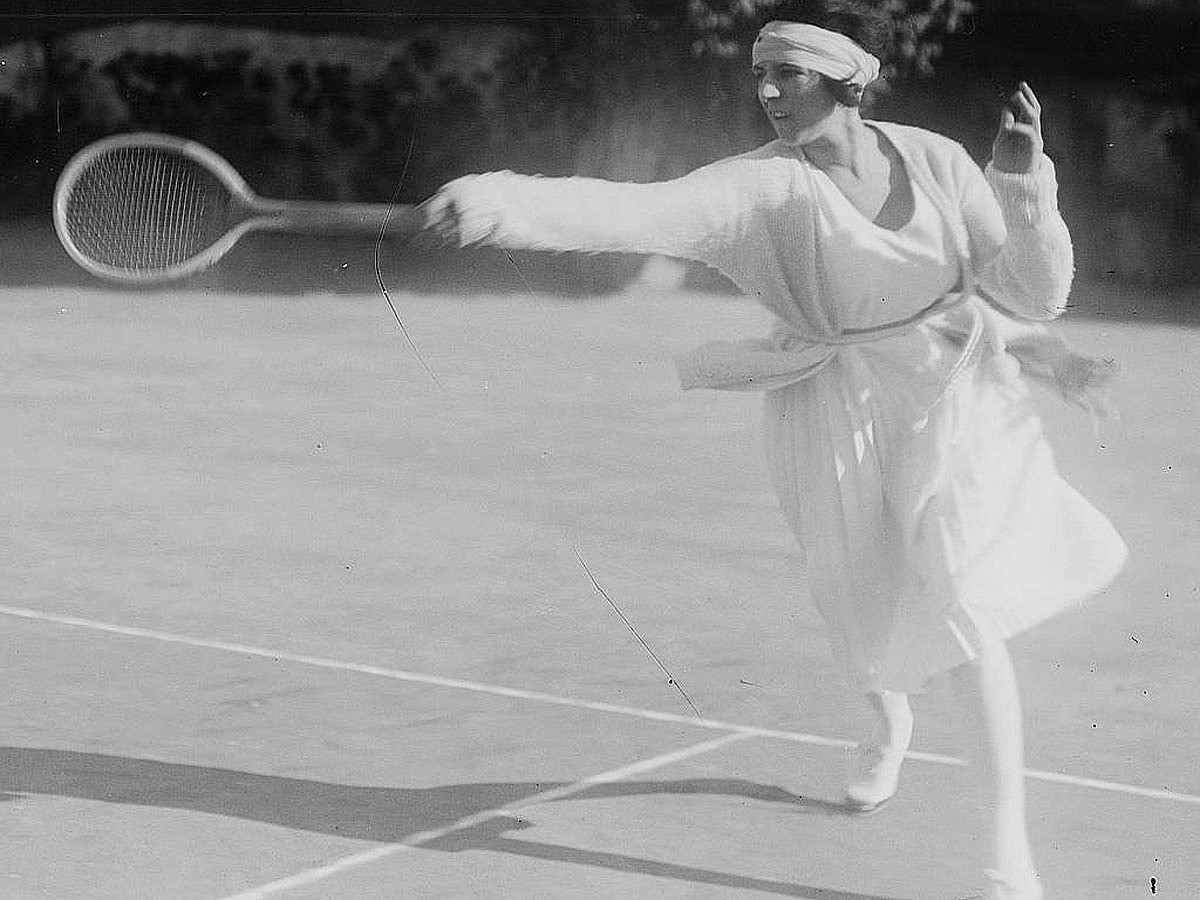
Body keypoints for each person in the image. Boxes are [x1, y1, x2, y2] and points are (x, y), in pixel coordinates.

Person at [416, 3, 1127, 897]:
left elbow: (1031, 292)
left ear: (847, 81)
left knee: (964, 607)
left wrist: (1023, 190)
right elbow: (631, 212)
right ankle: (886, 725)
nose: (768, 92)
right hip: (832, 402)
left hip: (959, 398)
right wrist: (496, 204)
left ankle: (1005, 862)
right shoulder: (760, 188)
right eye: (761, 75)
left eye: (787, 74)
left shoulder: (940, 161)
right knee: (861, 604)